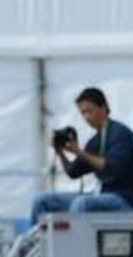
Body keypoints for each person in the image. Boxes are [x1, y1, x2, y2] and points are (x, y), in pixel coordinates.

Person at [29, 87, 133, 225]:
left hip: (124, 199)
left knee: (82, 203)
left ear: (103, 107)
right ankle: (39, 245)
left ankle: (71, 246)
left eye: (89, 111)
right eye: (82, 113)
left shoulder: (120, 134)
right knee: (42, 200)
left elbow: (113, 168)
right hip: (102, 195)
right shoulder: (96, 140)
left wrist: (78, 151)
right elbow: (73, 172)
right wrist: (60, 152)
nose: (86, 117)